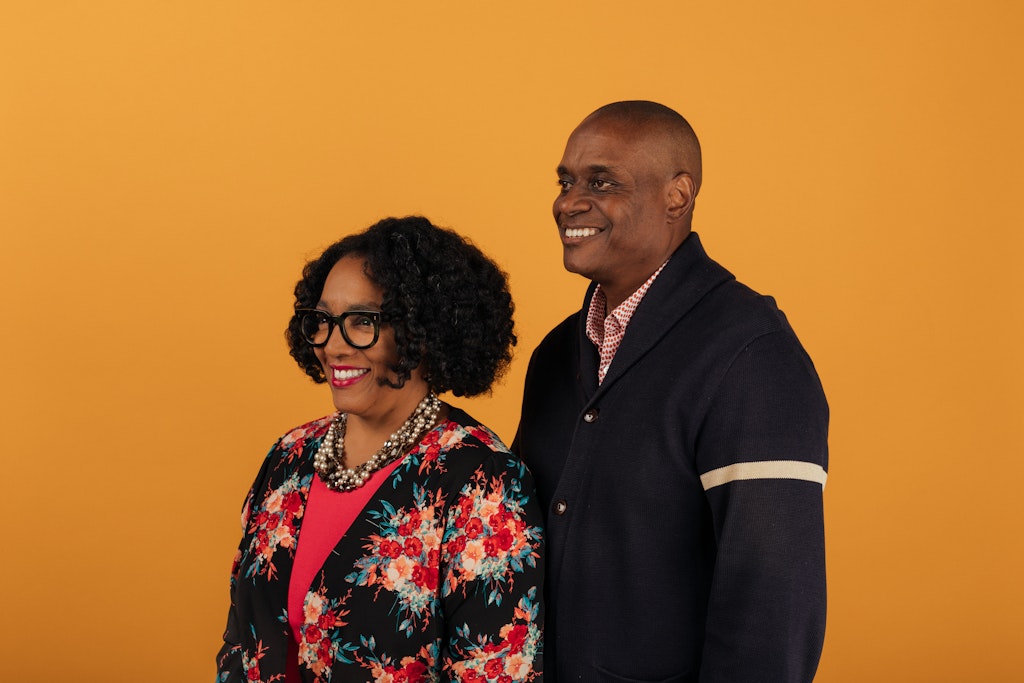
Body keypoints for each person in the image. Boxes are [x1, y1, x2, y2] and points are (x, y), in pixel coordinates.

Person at [514, 101, 829, 682]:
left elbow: (774, 605)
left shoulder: (751, 355)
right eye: (565, 181)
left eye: (601, 182)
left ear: (677, 196)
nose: (568, 202)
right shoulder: (555, 355)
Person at [217, 216, 544, 682]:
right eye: (324, 321)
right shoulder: (290, 455)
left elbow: (494, 671)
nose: (333, 345)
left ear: (424, 332)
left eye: (362, 321)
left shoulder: (483, 483)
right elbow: (241, 641)